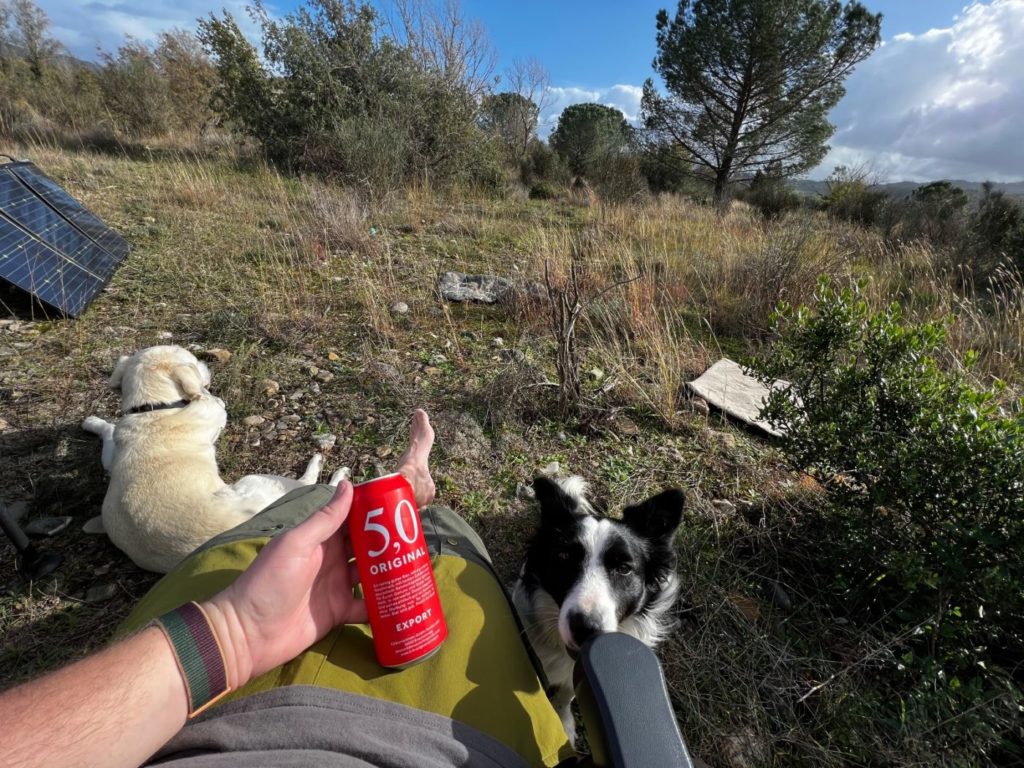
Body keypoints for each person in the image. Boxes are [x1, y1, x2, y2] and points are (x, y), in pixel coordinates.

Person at [0, 410, 574, 768]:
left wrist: (235, 632)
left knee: (295, 518)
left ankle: (398, 496)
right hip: (458, 736)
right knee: (442, 543)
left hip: (182, 693)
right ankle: (416, 499)